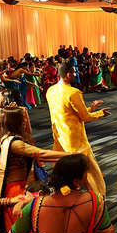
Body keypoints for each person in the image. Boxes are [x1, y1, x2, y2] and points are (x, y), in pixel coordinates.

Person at [46, 65, 110, 195]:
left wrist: (91, 108)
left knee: (65, 175)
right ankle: (99, 201)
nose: (76, 74)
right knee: (92, 176)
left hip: (60, 140)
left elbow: (69, 113)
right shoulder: (73, 92)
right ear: (68, 74)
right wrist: (100, 113)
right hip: (76, 142)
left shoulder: (50, 91)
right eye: (74, 72)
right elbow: (84, 117)